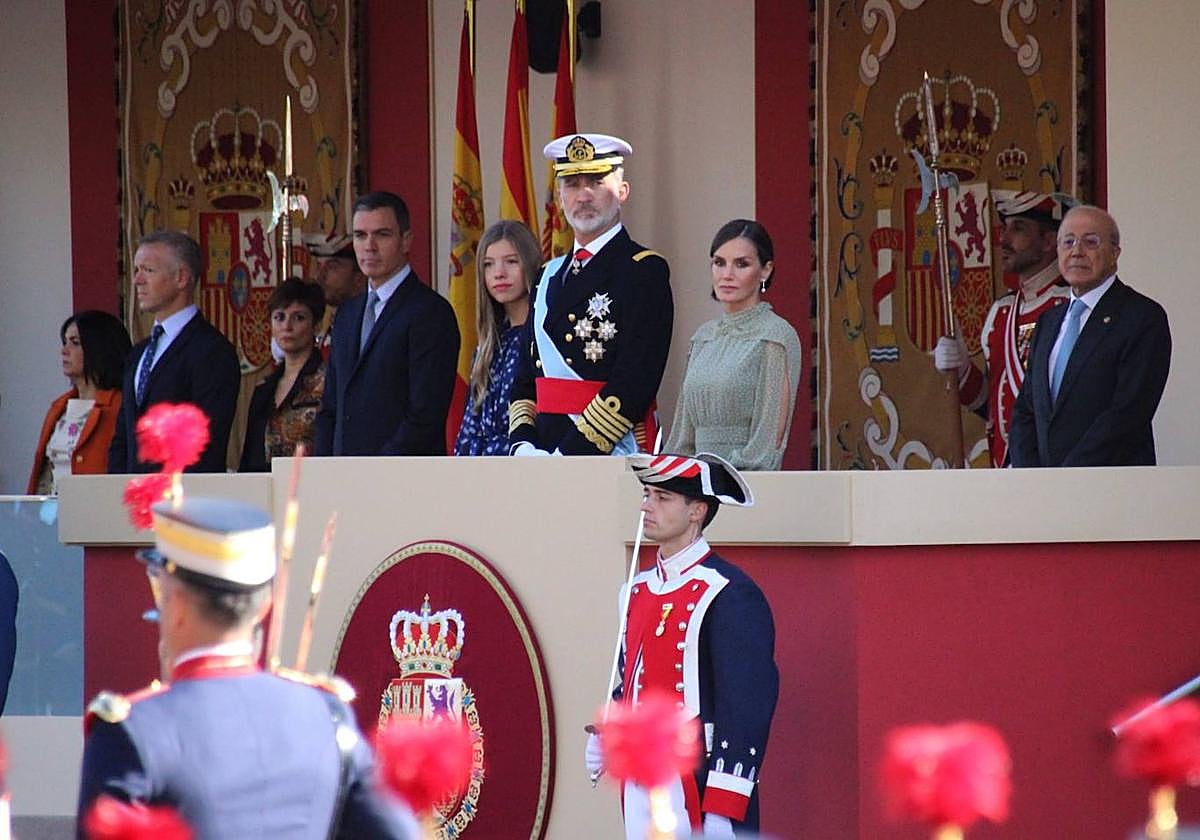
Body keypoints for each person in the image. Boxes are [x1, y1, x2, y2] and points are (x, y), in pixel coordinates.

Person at [76, 495, 419, 838]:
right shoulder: (327, 714)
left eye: (161, 594)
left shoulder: (132, 733)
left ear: (176, 605)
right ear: (264, 606)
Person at [589, 453, 778, 839]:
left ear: (697, 511)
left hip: (699, 779)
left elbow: (745, 709)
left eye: (662, 497)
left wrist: (723, 807)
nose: (647, 506)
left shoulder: (729, 592)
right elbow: (633, 679)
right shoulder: (636, 589)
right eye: (646, 494)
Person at [508, 133, 673, 456]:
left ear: (622, 192)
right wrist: (523, 443)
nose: (583, 196)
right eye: (571, 184)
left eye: (596, 183)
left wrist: (570, 455)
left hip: (606, 452)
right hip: (541, 455)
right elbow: (525, 379)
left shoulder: (643, 271)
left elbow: (635, 380)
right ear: (560, 197)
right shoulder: (547, 275)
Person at [1009, 205, 1172, 467]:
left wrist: (1071, 476)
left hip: (1112, 483)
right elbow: (1027, 410)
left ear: (1114, 254)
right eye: (1068, 241)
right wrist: (1032, 476)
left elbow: (1128, 412)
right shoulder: (1048, 322)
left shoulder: (1142, 317)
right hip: (1045, 487)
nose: (1077, 251)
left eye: (1091, 241)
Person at [314, 191, 460, 456]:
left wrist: (377, 470)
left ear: (406, 241)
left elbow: (425, 415)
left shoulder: (431, 312)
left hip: (402, 475)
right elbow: (331, 407)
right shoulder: (346, 313)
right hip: (342, 475)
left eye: (382, 235)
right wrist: (323, 469)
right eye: (360, 235)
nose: (369, 246)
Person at [934, 192, 1073, 467]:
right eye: (1005, 228)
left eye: (1018, 229)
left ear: (1048, 241)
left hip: (1055, 469)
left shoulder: (1071, 306)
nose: (1004, 239)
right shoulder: (1002, 312)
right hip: (1006, 469)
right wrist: (962, 371)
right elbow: (991, 406)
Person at [666, 220, 801, 470]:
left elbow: (767, 444)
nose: (727, 274)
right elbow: (682, 436)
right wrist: (671, 475)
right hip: (695, 483)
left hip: (744, 481)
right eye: (719, 263)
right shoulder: (703, 337)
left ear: (765, 270)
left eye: (741, 264)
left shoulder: (776, 336)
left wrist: (717, 476)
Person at [107, 230, 240, 473]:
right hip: (133, 494)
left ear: (181, 278)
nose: (137, 280)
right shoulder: (138, 354)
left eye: (148, 270)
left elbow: (205, 444)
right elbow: (122, 439)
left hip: (182, 493)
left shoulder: (212, 351)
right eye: (136, 270)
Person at [454, 220, 540, 455]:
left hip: (526, 463)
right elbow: (469, 429)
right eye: (488, 265)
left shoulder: (544, 340)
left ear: (530, 263)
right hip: (481, 467)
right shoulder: (487, 347)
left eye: (511, 261)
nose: (499, 273)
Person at [27, 310, 131, 493]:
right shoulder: (59, 407)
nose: (64, 351)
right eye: (65, 342)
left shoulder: (121, 406)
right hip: (50, 508)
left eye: (75, 343)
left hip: (94, 507)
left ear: (100, 348)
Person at [240, 279, 326, 471]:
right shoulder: (264, 387)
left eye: (299, 318)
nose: (287, 326)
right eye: (279, 317)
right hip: (264, 485)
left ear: (316, 326)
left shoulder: (327, 381)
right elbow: (249, 457)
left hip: (312, 482)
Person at [303, 231, 367, 356]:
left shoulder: (367, 328)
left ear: (360, 276)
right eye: (319, 266)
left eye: (332, 266)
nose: (319, 276)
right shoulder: (333, 327)